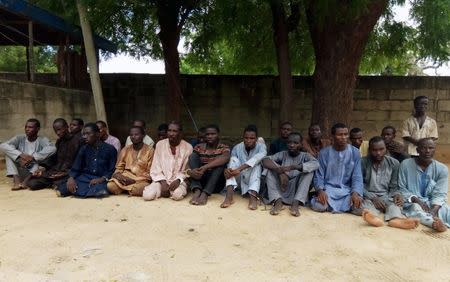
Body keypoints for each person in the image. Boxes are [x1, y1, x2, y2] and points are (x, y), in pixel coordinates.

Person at [360, 136, 419, 229]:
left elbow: (394, 185)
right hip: (367, 196)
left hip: (385, 196)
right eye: (374, 150)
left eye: (381, 149)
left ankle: (395, 220)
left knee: (395, 204)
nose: (378, 153)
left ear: (386, 149)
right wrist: (372, 197)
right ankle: (372, 218)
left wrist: (396, 194)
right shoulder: (362, 162)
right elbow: (358, 185)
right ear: (369, 150)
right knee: (361, 204)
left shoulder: (394, 163)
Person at [398, 138, 449, 232]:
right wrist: (416, 200)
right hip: (412, 201)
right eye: (423, 148)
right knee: (416, 210)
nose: (427, 151)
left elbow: (440, 194)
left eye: (431, 148)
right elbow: (401, 188)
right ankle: (434, 224)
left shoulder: (442, 169)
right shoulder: (405, 164)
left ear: (435, 150)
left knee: (446, 210)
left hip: (432, 202)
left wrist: (434, 210)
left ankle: (437, 219)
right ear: (417, 150)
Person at [311, 123, 364, 214]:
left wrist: (355, 193)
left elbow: (357, 176)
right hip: (328, 190)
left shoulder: (355, 152)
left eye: (346, 134)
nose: (343, 137)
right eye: (340, 135)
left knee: (359, 209)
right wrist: (320, 191)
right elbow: (319, 176)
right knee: (319, 206)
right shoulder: (324, 153)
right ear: (332, 136)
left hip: (347, 191)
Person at [263, 132, 319, 217]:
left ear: (301, 144)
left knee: (309, 172)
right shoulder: (282, 154)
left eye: (296, 143)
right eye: (289, 142)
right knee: (269, 170)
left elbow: (316, 164)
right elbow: (265, 160)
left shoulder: (305, 156)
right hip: (282, 187)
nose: (292, 145)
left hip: (297, 190)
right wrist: (280, 172)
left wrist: (294, 167)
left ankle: (296, 203)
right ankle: (278, 201)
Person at [57, 123, 117, 198]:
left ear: (97, 134)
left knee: (102, 189)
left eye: (88, 134)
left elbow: (112, 170)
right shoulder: (84, 149)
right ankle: (87, 191)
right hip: (85, 178)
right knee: (64, 188)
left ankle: (86, 191)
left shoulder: (110, 149)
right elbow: (76, 167)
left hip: (101, 179)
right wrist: (71, 178)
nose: (85, 137)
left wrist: (102, 179)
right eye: (84, 134)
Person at [25, 118, 82, 190]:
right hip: (56, 171)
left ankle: (56, 183)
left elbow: (80, 162)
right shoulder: (59, 142)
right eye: (55, 131)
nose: (58, 133)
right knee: (32, 183)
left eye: (60, 129)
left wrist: (66, 173)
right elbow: (53, 158)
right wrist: (43, 168)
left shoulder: (78, 141)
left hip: (69, 173)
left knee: (63, 181)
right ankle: (54, 183)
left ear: (67, 127)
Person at [0, 118, 56, 190]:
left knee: (36, 161)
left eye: (30, 127)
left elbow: (52, 148)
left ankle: (26, 182)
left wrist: (32, 157)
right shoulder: (19, 138)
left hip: (33, 172)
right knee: (8, 155)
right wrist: (20, 156)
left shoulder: (42, 140)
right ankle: (17, 181)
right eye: (26, 127)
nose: (27, 129)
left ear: (37, 129)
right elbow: (3, 145)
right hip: (19, 171)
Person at [143, 121, 193, 201]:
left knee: (177, 195)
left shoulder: (188, 147)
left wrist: (178, 180)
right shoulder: (160, 144)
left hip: (179, 181)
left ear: (180, 133)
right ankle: (165, 191)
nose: (171, 133)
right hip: (161, 180)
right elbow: (156, 166)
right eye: (169, 130)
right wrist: (163, 182)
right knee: (147, 195)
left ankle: (171, 192)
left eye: (174, 131)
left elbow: (186, 170)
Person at [220, 125, 267, 210]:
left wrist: (238, 169)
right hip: (239, 180)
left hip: (253, 179)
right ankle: (229, 196)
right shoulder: (237, 147)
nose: (248, 140)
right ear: (243, 138)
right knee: (233, 159)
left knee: (257, 165)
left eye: (252, 138)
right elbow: (232, 163)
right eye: (246, 138)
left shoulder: (261, 147)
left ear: (256, 139)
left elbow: (256, 159)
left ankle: (253, 197)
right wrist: (228, 170)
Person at [188, 124, 230, 205]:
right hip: (201, 180)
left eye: (213, 134)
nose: (210, 136)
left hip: (216, 184)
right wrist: (191, 172)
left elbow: (226, 158)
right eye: (207, 134)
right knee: (193, 156)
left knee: (220, 165)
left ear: (218, 135)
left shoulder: (223, 147)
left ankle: (205, 194)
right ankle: (197, 190)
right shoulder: (199, 147)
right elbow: (190, 162)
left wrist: (205, 167)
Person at [107, 126, 154, 197]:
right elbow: (119, 168)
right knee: (110, 186)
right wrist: (121, 177)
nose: (133, 137)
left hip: (140, 180)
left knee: (141, 188)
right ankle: (129, 190)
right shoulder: (125, 149)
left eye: (136, 134)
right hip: (125, 178)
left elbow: (150, 172)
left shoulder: (150, 150)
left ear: (143, 135)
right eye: (131, 135)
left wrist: (134, 180)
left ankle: (125, 189)